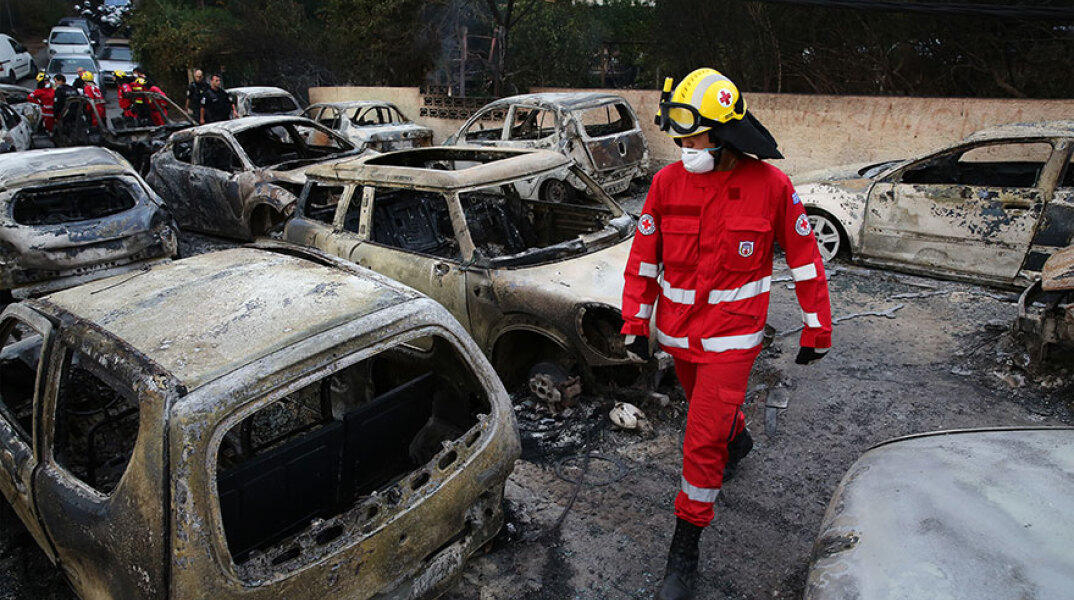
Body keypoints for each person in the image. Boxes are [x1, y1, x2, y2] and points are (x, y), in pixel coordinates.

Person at [619, 68, 832, 600]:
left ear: (724, 134)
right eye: (680, 138)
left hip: (733, 342)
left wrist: (817, 326)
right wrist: (634, 321)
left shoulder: (772, 187)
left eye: (692, 137)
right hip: (680, 338)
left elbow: (806, 260)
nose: (683, 148)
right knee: (708, 414)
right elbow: (643, 260)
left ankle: (684, 550)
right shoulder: (666, 185)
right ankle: (738, 439)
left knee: (699, 440)